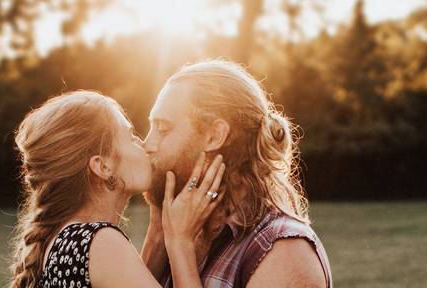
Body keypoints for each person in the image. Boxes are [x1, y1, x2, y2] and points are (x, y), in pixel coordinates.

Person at [140, 59, 333, 288]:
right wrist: (158, 237)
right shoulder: (180, 231)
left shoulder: (286, 252)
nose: (146, 144)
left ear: (214, 136)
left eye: (163, 129)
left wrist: (181, 249)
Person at [8, 90, 224, 288]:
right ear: (103, 166)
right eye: (131, 137)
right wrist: (180, 242)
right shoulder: (99, 243)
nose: (145, 145)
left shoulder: (67, 239)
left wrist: (158, 232)